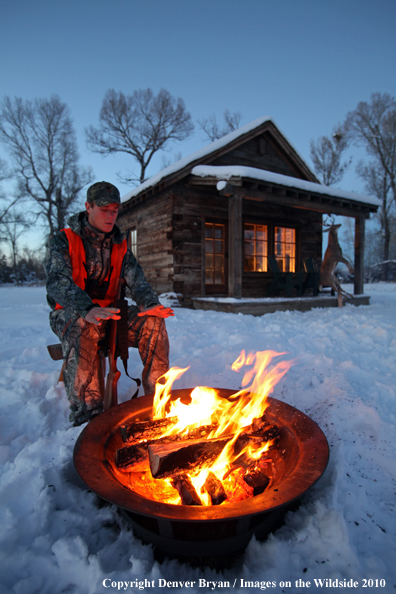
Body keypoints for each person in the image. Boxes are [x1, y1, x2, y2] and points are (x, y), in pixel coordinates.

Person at [44, 181, 173, 426]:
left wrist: (149, 304)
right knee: (84, 323)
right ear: (88, 207)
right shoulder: (63, 241)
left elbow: (139, 283)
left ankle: (158, 403)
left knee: (153, 322)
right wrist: (88, 308)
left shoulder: (121, 245)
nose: (111, 215)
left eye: (115, 210)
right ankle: (88, 416)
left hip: (112, 314)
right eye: (104, 209)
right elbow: (57, 284)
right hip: (71, 313)